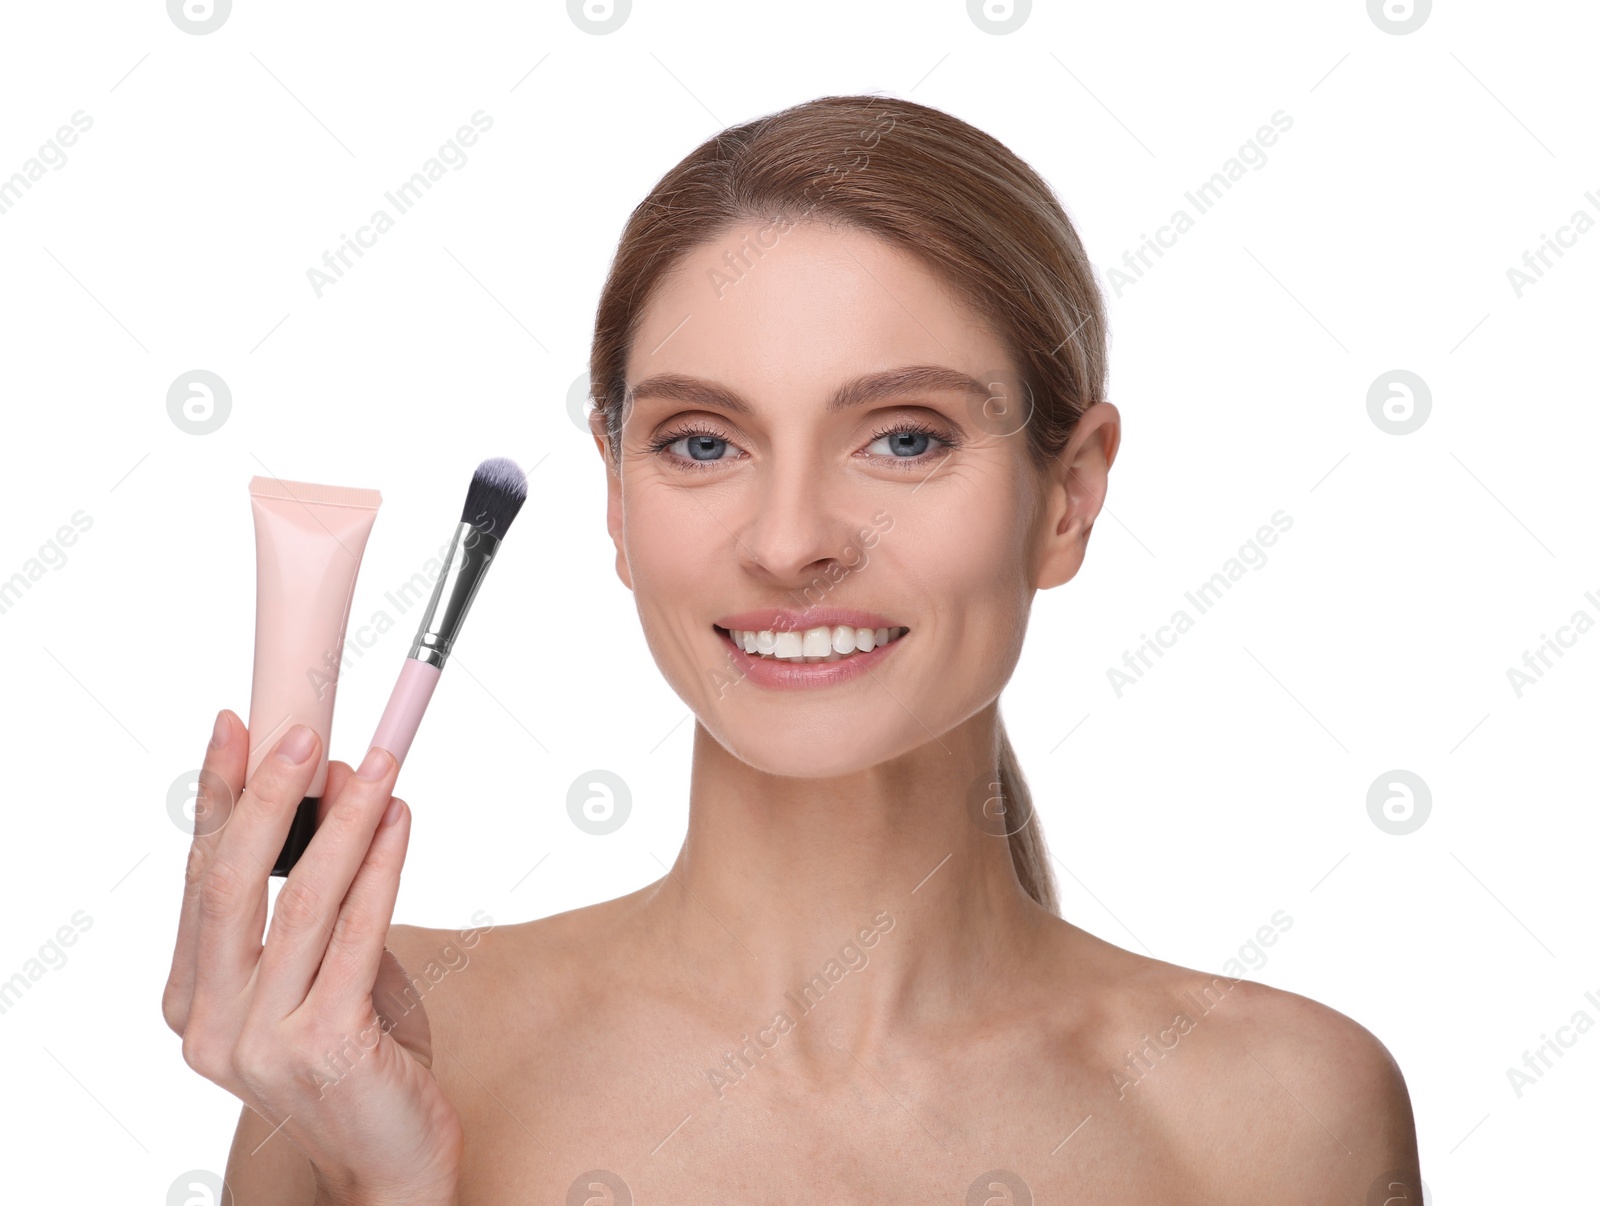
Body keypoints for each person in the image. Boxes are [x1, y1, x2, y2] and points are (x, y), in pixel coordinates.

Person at [165, 94, 1421, 1204]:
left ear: (1070, 495)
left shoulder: (1280, 1117)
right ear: (614, 497)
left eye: (906, 437)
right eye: (703, 443)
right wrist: (389, 1189)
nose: (788, 542)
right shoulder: (354, 1044)